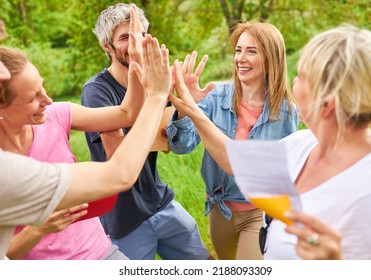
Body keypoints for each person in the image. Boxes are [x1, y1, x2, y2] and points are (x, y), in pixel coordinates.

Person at [169, 24, 371, 259]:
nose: (293, 81)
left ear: (327, 103)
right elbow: (234, 161)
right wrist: (191, 110)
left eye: (302, 77)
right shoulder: (302, 144)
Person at [0, 33, 173, 260]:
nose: (47, 100)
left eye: (42, 87)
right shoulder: (8, 170)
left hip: (103, 252)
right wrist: (38, 230)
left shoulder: (55, 114)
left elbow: (126, 113)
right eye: (33, 97)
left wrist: (136, 67)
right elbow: (6, 255)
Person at [81, 3, 210, 260]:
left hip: (160, 201)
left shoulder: (154, 83)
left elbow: (172, 144)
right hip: (124, 219)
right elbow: (117, 154)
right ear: (106, 46)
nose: (135, 44)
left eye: (139, 35)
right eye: (125, 37)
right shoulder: (97, 91)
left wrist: (185, 107)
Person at [166, 21, 299, 260]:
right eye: (238, 50)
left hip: (260, 211)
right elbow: (181, 146)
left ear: (271, 58)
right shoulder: (216, 96)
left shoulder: (287, 111)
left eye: (252, 51)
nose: (241, 58)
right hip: (221, 211)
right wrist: (188, 108)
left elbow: (283, 170)